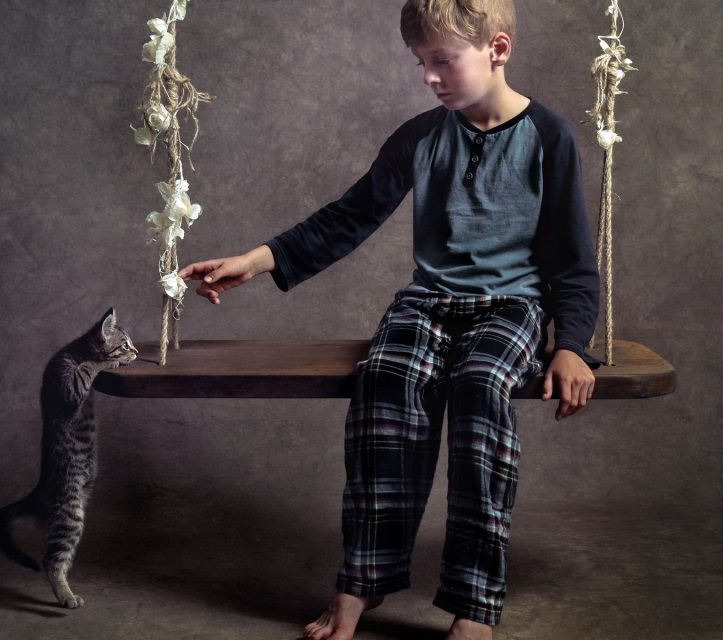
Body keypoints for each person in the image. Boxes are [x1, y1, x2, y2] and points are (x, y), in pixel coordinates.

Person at [178, 1, 598, 638]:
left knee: (481, 389)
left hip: (512, 308)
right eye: (420, 63)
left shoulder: (550, 138)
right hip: (427, 302)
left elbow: (571, 262)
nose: (428, 77)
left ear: (498, 50)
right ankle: (363, 582)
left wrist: (571, 345)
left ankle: (473, 604)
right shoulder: (421, 136)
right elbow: (349, 216)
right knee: (385, 382)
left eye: (442, 61)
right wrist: (258, 261)